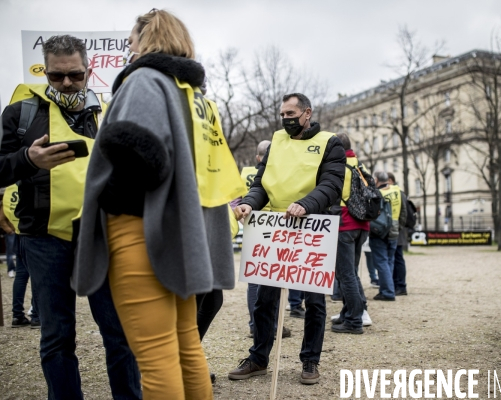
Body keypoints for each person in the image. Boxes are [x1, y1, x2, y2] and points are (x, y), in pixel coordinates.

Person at [72, 9, 245, 398]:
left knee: (154, 357)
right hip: (182, 234)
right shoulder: (193, 94)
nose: (127, 50)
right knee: (185, 347)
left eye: (131, 42)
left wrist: (106, 202)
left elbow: (141, 153)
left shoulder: (144, 81)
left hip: (142, 230)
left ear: (147, 38)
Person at [0, 34, 141, 399]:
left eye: (75, 75)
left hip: (102, 236)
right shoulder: (21, 113)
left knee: (119, 334)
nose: (66, 83)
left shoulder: (111, 114)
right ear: (44, 71)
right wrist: (28, 160)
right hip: (45, 240)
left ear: (89, 71)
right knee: (56, 337)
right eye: (56, 76)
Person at [228, 93, 345, 385]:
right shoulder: (276, 141)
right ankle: (258, 358)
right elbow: (261, 184)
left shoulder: (330, 143)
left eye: (291, 113)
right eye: (282, 114)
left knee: (314, 302)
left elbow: (332, 184)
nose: (285, 119)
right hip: (275, 230)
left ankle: (310, 361)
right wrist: (250, 204)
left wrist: (306, 204)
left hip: (311, 229)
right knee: (264, 300)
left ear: (307, 113)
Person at [242, 140, 291, 339]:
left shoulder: (244, 173)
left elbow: (237, 198)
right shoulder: (279, 170)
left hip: (252, 224)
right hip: (275, 225)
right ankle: (273, 325)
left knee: (254, 278)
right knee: (275, 276)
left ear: (256, 157)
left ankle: (256, 324)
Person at [330, 132, 370, 334]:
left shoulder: (338, 166)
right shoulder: (360, 166)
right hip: (362, 225)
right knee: (350, 273)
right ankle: (349, 313)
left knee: (345, 274)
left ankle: (354, 320)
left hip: (344, 225)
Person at [370, 171, 401, 301]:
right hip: (394, 226)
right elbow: (403, 210)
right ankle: (387, 289)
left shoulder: (377, 193)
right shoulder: (397, 190)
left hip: (380, 229)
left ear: (376, 179)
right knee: (389, 260)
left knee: (381, 261)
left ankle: (387, 291)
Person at [388, 172, 409, 296]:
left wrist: (398, 227)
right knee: (396, 258)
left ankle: (401, 285)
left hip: (397, 231)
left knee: (398, 258)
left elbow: (403, 213)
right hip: (397, 230)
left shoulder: (398, 193)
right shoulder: (399, 192)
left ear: (390, 180)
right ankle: (397, 284)